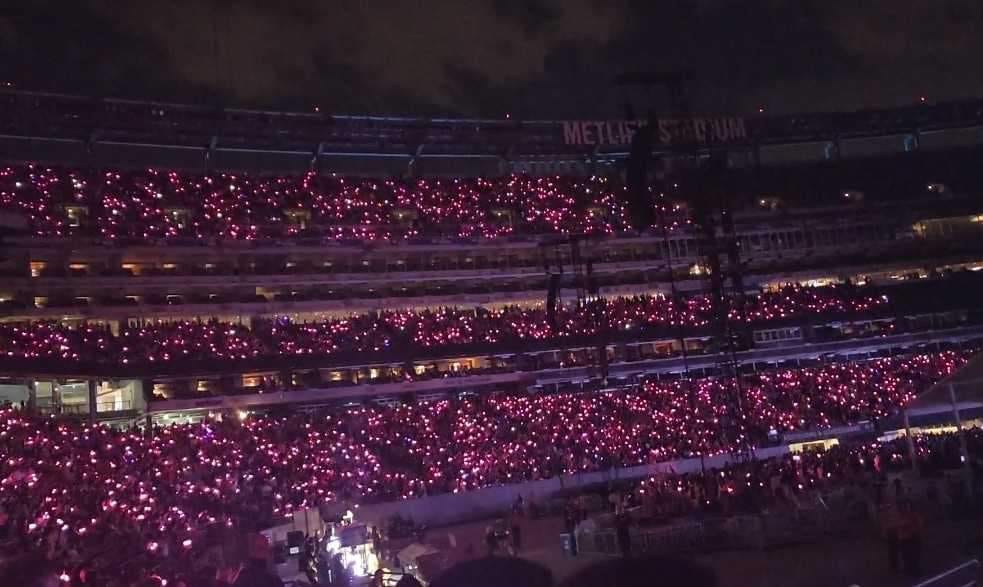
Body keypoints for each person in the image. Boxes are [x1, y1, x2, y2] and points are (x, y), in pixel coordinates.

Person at [896, 500, 924, 577]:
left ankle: (915, 570)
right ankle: (909, 570)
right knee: (906, 556)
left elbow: (920, 523)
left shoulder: (914, 514)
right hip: (905, 539)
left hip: (914, 538)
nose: (904, 508)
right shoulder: (898, 516)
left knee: (915, 555)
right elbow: (899, 526)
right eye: (902, 506)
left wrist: (913, 529)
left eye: (906, 506)